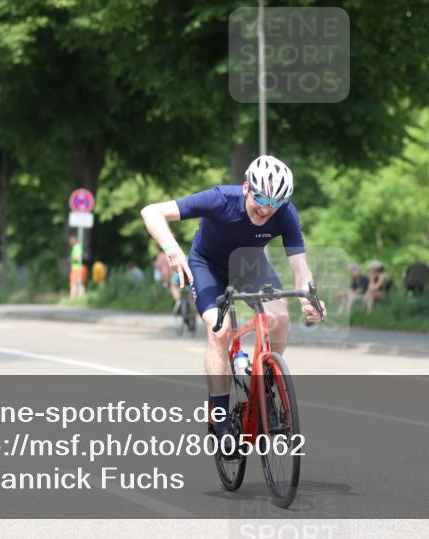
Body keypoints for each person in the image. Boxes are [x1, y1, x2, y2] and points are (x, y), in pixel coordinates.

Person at [139, 155, 326, 449]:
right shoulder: (220, 199)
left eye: (275, 202)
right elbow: (151, 211)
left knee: (279, 318)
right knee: (220, 331)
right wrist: (171, 248)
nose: (266, 207)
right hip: (208, 267)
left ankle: (266, 388)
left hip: (250, 266)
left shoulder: (285, 213)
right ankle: (219, 418)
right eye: (261, 197)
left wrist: (309, 298)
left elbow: (300, 267)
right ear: (246, 188)